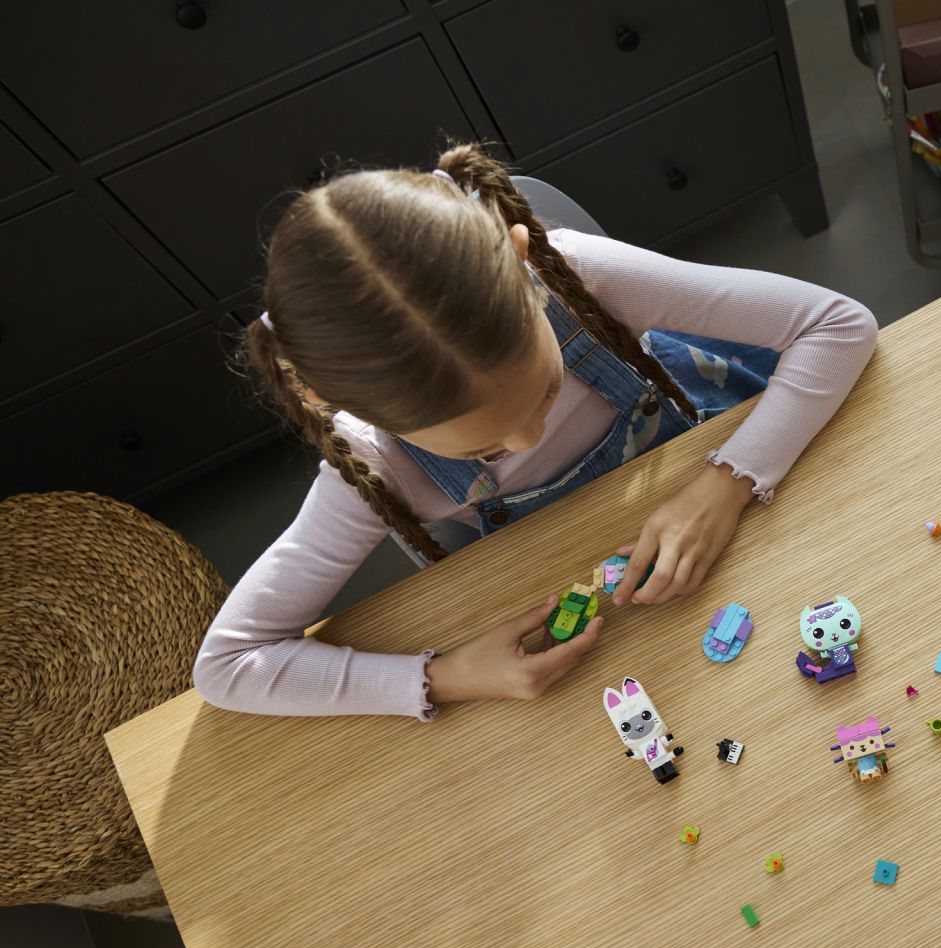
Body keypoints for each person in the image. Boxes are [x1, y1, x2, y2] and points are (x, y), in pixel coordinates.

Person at [195, 144, 876, 718]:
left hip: (746, 468)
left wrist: (726, 482)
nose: (528, 438)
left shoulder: (576, 274)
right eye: (484, 450)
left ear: (521, 257)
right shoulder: (373, 464)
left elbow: (839, 325)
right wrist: (443, 676)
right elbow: (227, 664)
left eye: (547, 391)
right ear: (342, 404)